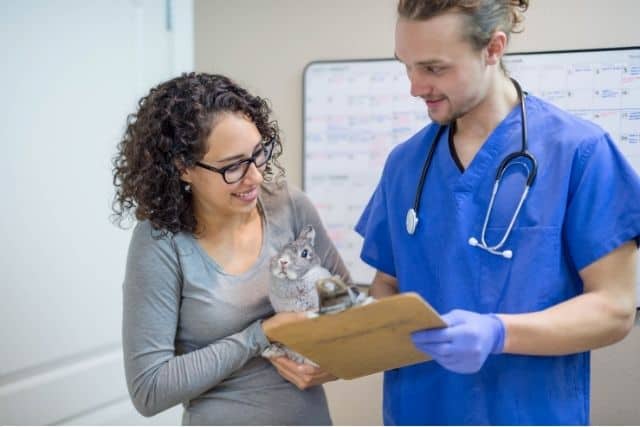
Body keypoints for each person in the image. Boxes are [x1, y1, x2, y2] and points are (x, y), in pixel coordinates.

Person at [355, 0, 640, 425]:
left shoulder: (578, 152)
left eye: (433, 69)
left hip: (529, 413)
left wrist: (499, 333)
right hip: (420, 410)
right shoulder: (406, 164)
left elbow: (615, 308)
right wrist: (345, 341)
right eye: (407, 66)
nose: (415, 86)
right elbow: (388, 286)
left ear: (493, 48)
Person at [112, 72, 345, 425]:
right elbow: (149, 389)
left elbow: (346, 309)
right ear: (184, 168)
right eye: (233, 166)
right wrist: (260, 334)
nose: (254, 177)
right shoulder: (161, 241)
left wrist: (333, 365)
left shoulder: (289, 205)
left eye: (258, 153)